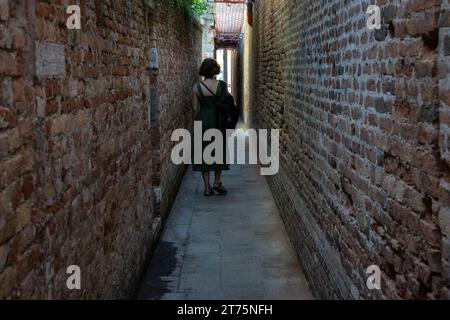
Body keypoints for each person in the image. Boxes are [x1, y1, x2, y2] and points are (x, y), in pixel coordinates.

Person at [192, 58, 229, 197]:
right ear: (215, 69)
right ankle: (217, 182)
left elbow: (195, 109)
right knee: (218, 152)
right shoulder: (221, 85)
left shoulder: (196, 87)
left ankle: (207, 187)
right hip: (218, 120)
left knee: (203, 153)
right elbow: (226, 103)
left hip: (203, 120)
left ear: (203, 70)